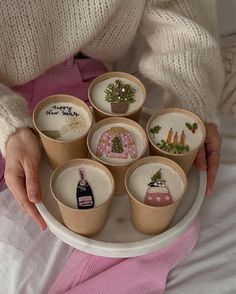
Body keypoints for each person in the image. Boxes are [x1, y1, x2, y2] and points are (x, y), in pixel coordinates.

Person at [0, 0, 224, 233]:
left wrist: (193, 101)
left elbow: (177, 9)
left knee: (166, 228)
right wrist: (7, 123)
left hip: (85, 78)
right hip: (4, 89)